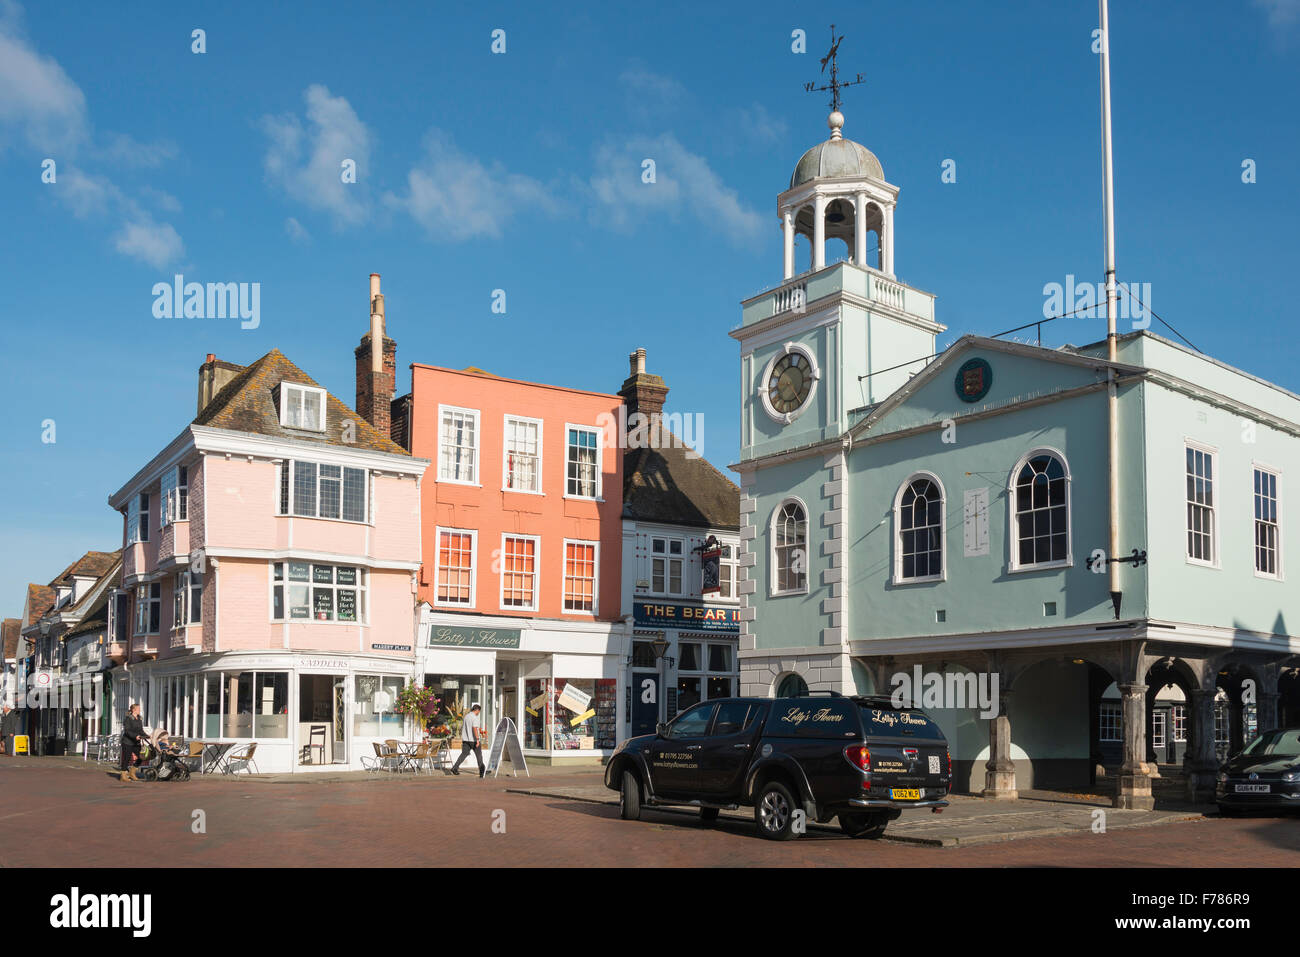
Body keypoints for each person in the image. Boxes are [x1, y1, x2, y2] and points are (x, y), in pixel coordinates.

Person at [451, 703, 485, 778]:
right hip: (473, 740)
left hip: (466, 740)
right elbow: (474, 728)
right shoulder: (475, 718)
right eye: (479, 711)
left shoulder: (466, 716)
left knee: (464, 754)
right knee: (479, 755)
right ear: (477, 710)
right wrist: (477, 739)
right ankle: (482, 771)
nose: (479, 713)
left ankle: (455, 768)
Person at [119, 703, 145, 781]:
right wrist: (135, 736)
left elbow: (141, 730)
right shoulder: (128, 719)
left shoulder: (139, 719)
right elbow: (127, 731)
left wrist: (147, 736)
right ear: (134, 710)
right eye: (138, 709)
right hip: (127, 742)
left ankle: (132, 772)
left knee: (142, 756)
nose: (140, 710)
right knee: (127, 758)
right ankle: (123, 775)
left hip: (136, 743)